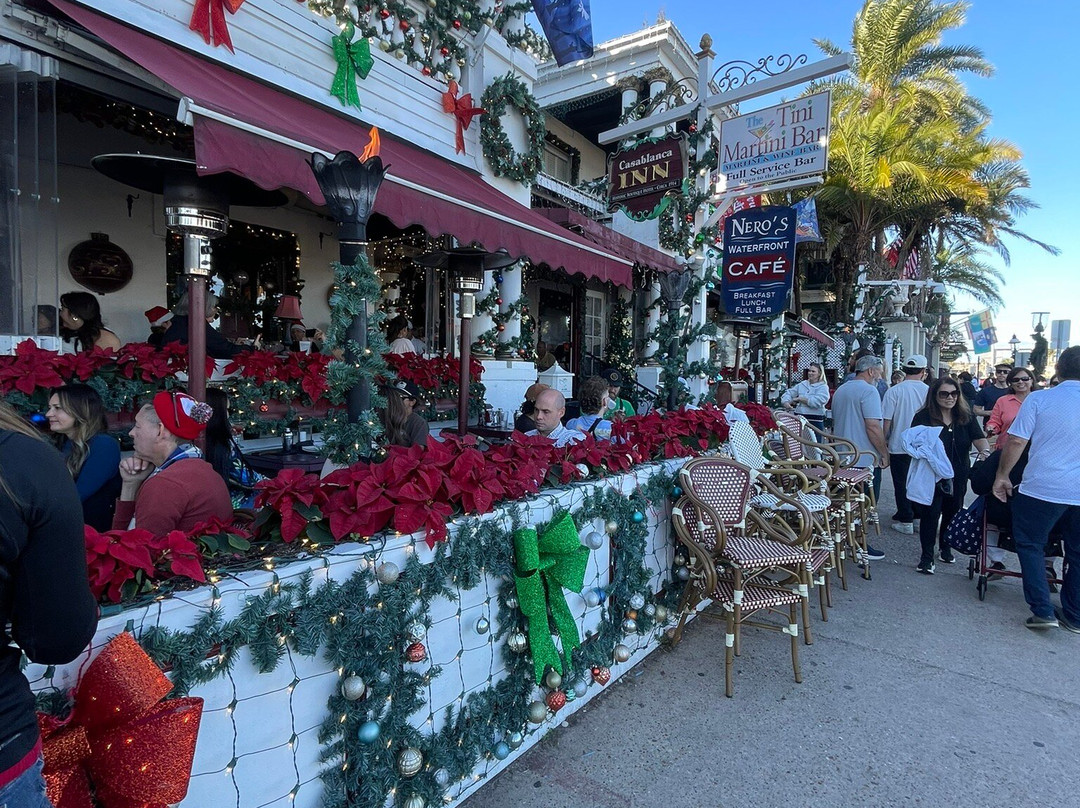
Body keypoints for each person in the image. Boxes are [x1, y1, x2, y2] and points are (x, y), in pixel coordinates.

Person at [0, 401, 98, 804]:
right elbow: (57, 636)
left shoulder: (100, 449)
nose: (48, 412)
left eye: (59, 407)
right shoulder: (27, 459)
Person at [993, 346, 1080, 631]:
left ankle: (1043, 610)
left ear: (1058, 370)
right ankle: (1075, 614)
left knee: (1031, 545)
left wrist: (1002, 475)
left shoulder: (1039, 399)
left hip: (1043, 487)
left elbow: (1017, 441)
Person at [113, 391, 233, 534]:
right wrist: (131, 484)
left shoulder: (165, 484)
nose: (131, 433)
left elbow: (135, 546)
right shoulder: (198, 468)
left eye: (138, 426)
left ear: (160, 431)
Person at [906, 376, 990, 574]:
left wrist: (985, 453)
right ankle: (927, 557)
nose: (950, 398)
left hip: (959, 473)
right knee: (930, 514)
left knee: (952, 512)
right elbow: (913, 441)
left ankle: (945, 547)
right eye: (944, 394)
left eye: (954, 393)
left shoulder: (965, 416)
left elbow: (979, 438)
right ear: (934, 395)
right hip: (932, 474)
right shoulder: (923, 417)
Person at [830, 354, 888, 560]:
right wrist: (884, 452)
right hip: (863, 457)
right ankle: (860, 544)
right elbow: (873, 426)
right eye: (879, 373)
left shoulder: (842, 390)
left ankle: (848, 541)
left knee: (846, 504)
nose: (880, 378)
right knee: (865, 504)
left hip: (842, 455)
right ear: (871, 371)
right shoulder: (869, 391)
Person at [46, 384, 122, 531]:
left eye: (57, 408)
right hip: (67, 528)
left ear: (80, 410)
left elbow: (77, 495)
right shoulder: (64, 444)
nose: (48, 414)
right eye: (50, 408)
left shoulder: (103, 445)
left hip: (91, 534)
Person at [882, 354, 930, 535]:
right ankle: (917, 516)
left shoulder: (894, 391)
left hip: (899, 444)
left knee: (901, 482)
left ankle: (905, 517)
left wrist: (883, 442)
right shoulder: (929, 391)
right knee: (919, 481)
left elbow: (886, 421)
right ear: (923, 371)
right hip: (922, 445)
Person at [204, 388, 264, 509]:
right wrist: (275, 484)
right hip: (230, 502)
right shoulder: (222, 443)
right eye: (226, 410)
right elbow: (247, 478)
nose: (228, 415)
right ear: (217, 413)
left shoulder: (198, 440)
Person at [161, 292, 245, 359]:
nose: (215, 310)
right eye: (214, 306)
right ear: (203, 306)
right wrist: (250, 347)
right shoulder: (197, 324)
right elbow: (225, 350)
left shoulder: (177, 321)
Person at [986, 366, 1034, 443]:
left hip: (1035, 447)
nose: (1020, 382)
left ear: (1031, 380)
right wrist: (991, 428)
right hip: (1007, 446)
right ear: (1010, 383)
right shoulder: (1003, 401)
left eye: (1025, 379)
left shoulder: (1041, 400)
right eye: (1015, 380)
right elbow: (994, 421)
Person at [779, 363, 830, 429]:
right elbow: (789, 393)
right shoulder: (802, 384)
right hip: (799, 419)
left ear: (819, 373)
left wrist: (801, 399)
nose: (810, 373)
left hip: (815, 420)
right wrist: (786, 402)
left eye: (813, 371)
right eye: (809, 371)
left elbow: (819, 401)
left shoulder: (823, 387)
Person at [381, 379, 429, 447]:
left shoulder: (419, 423)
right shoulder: (388, 416)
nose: (395, 400)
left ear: (412, 402)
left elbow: (418, 450)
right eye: (394, 397)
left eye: (400, 397)